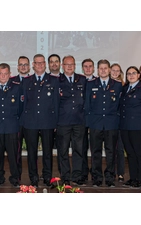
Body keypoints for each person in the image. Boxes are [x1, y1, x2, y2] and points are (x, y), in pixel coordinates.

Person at [22, 54, 60, 187]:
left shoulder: (54, 80)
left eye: (42, 63)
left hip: (47, 121)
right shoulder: (27, 81)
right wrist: (24, 121)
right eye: (36, 63)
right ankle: (33, 177)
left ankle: (47, 177)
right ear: (33, 65)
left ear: (45, 64)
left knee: (47, 152)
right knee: (31, 152)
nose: (39, 65)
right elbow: (24, 103)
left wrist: (55, 122)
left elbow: (56, 102)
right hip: (30, 122)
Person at [85, 59, 122, 187]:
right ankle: (97, 177)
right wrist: (89, 123)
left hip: (111, 124)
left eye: (105, 68)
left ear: (110, 70)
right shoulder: (90, 84)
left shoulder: (117, 85)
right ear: (97, 70)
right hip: (95, 123)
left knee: (111, 151)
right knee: (95, 152)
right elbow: (87, 105)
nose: (103, 70)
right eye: (101, 68)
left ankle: (110, 177)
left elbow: (119, 105)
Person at [0, 63, 23, 188]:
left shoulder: (17, 88)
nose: (3, 76)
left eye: (5, 73)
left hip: (11, 126)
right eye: (1, 73)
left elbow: (21, 107)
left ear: (10, 74)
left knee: (14, 156)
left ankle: (15, 179)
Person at [57, 55, 86, 186]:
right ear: (62, 66)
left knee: (78, 149)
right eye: (67, 64)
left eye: (72, 64)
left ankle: (77, 175)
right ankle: (65, 176)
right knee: (62, 150)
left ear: (75, 66)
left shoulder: (83, 79)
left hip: (79, 121)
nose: (69, 66)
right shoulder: (57, 80)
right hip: (63, 121)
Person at [11, 56, 30, 179]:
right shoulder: (11, 81)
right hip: (15, 122)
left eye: (25, 64)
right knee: (15, 151)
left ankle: (33, 176)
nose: (23, 67)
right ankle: (16, 176)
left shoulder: (34, 80)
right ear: (17, 67)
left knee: (31, 151)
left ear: (29, 67)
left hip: (30, 122)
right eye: (21, 64)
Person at [81, 58, 95, 182]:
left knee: (95, 148)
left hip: (95, 120)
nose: (88, 69)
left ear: (94, 68)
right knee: (82, 147)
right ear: (82, 68)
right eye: (85, 66)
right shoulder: (79, 81)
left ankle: (96, 174)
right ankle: (84, 173)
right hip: (81, 119)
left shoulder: (97, 82)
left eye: (90, 66)